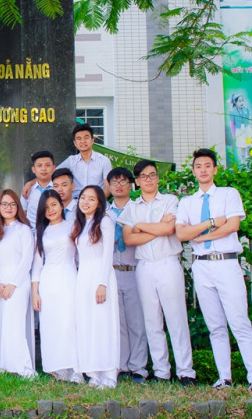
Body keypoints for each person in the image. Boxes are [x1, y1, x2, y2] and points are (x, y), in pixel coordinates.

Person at [176, 149, 252, 393]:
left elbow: (233, 225)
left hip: (226, 263)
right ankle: (224, 378)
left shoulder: (228, 194)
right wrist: (214, 223)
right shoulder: (187, 202)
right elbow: (182, 234)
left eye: (207, 166)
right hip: (202, 266)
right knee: (215, 326)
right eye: (198, 166)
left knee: (239, 323)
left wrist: (200, 235)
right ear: (193, 171)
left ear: (215, 169)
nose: (202, 170)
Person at [118, 161, 196, 386]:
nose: (149, 180)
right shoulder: (131, 207)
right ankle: (161, 371)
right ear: (137, 181)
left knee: (176, 318)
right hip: (144, 266)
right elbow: (129, 239)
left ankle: (185, 371)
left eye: (152, 175)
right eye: (144, 176)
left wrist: (141, 226)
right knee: (152, 321)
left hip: (168, 263)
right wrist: (155, 228)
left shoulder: (170, 200)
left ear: (157, 178)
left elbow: (169, 229)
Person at [31, 189, 81, 383]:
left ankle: (75, 369)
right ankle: (57, 368)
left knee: (69, 323)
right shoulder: (41, 233)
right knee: (51, 324)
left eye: (53, 205)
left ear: (62, 205)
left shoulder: (73, 226)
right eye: (46, 208)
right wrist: (35, 292)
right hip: (48, 280)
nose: (50, 210)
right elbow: (37, 264)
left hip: (69, 276)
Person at [72, 185, 120, 388]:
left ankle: (110, 374)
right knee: (88, 324)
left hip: (102, 277)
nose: (86, 202)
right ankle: (94, 373)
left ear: (100, 202)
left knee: (104, 324)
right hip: (83, 278)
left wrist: (102, 283)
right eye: (83, 198)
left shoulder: (105, 222)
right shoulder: (81, 224)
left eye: (91, 199)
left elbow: (107, 255)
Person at [106, 168, 148, 384]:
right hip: (113, 271)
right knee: (119, 321)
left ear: (131, 184)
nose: (119, 185)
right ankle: (121, 365)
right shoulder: (105, 211)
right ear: (109, 186)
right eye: (114, 182)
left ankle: (139, 367)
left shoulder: (138, 208)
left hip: (134, 269)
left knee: (136, 321)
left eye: (123, 181)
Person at [0, 189, 35, 377]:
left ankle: (24, 368)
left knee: (15, 324)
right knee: (3, 324)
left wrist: (12, 284)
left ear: (18, 207)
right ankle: (6, 364)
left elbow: (27, 259)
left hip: (19, 282)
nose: (8, 208)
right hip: (2, 283)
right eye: (4, 204)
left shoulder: (23, 229)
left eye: (12, 204)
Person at [57, 123, 112, 198]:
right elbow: (53, 174)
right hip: (76, 202)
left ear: (92, 140)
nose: (83, 141)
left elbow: (108, 186)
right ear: (75, 143)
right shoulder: (71, 161)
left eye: (86, 137)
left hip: (97, 202)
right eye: (79, 138)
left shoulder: (103, 161)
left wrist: (98, 203)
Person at [20, 150, 56, 228]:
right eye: (39, 166)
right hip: (32, 234)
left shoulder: (58, 189)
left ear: (53, 168)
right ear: (33, 169)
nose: (43, 169)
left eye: (47, 165)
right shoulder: (27, 190)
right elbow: (22, 214)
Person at [228, 92, 252, 165]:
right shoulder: (232, 111)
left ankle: (249, 164)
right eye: (239, 101)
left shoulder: (246, 109)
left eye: (242, 100)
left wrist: (250, 129)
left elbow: (248, 119)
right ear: (235, 102)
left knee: (249, 147)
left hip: (247, 129)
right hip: (239, 131)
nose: (241, 102)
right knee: (242, 148)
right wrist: (234, 135)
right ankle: (243, 164)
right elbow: (232, 124)